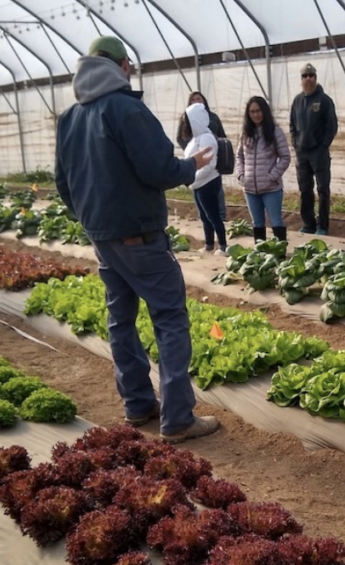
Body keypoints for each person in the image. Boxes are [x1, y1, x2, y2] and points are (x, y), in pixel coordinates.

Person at [54, 36, 219, 444]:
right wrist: (189, 166)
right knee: (169, 317)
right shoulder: (126, 108)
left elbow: (62, 182)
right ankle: (178, 418)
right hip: (138, 235)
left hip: (103, 236)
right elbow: (157, 169)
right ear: (123, 66)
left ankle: (139, 405)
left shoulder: (70, 117)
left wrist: (88, 218)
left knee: (120, 319)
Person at [290, 63, 338, 236]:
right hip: (302, 153)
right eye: (305, 76)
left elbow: (332, 126)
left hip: (319, 153)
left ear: (316, 78)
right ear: (301, 80)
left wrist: (323, 146)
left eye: (311, 75)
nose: (308, 78)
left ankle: (322, 225)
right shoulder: (297, 101)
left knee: (323, 188)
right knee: (305, 189)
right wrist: (296, 144)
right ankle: (308, 224)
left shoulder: (324, 100)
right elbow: (292, 125)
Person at [235, 96, 291, 243]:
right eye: (252, 112)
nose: (256, 115)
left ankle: (280, 256)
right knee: (257, 224)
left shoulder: (274, 132)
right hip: (250, 189)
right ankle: (260, 256)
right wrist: (241, 176)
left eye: (258, 111)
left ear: (264, 111)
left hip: (271, 188)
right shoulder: (245, 133)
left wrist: (271, 176)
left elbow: (285, 157)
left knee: (276, 221)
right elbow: (239, 157)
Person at [183, 102, 228, 255]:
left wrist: (193, 178)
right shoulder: (196, 138)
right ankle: (209, 244)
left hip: (207, 182)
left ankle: (223, 245)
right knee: (204, 216)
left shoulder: (207, 138)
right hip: (198, 184)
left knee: (213, 215)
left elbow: (210, 165)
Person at [177, 92, 228, 221]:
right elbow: (180, 137)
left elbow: (222, 135)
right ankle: (204, 218)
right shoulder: (186, 118)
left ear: (204, 101)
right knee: (198, 186)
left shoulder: (213, 117)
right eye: (193, 99)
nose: (196, 101)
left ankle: (221, 216)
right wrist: (190, 150)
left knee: (216, 188)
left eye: (198, 98)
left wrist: (216, 145)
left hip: (213, 158)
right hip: (196, 160)